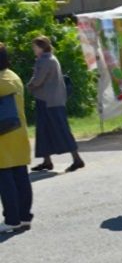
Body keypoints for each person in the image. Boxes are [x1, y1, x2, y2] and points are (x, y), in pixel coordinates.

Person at [27, 36, 84, 173]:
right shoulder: (49, 58)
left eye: (35, 47)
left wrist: (29, 86)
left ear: (41, 47)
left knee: (61, 130)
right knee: (44, 131)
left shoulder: (45, 60)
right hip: (50, 100)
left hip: (49, 101)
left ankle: (77, 159)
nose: (33, 50)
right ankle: (47, 161)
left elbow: (38, 80)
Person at [0, 43, 32, 233]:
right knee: (21, 176)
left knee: (5, 180)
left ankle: (12, 220)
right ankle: (24, 217)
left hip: (3, 137)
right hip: (18, 133)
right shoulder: (13, 76)